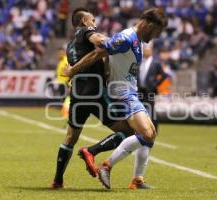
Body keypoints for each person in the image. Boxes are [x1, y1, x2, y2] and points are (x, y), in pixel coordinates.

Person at [63, 8, 168, 189]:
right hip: (121, 94)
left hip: (130, 93)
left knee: (150, 133)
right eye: (157, 31)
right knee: (146, 133)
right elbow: (98, 52)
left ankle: (137, 179)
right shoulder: (126, 38)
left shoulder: (137, 41)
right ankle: (106, 164)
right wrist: (73, 70)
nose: (156, 36)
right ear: (150, 25)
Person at [51, 8, 135, 189]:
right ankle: (92, 151)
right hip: (96, 93)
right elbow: (100, 41)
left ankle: (57, 180)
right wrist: (116, 41)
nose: (94, 23)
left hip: (78, 94)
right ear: (83, 22)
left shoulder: (71, 45)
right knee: (128, 132)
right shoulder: (86, 32)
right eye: (92, 19)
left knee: (70, 138)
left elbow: (94, 57)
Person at [137, 43, 168, 131]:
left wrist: (156, 84)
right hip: (140, 90)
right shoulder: (140, 62)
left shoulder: (156, 63)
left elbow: (164, 75)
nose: (146, 52)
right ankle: (141, 128)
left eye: (148, 50)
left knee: (151, 109)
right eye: (145, 50)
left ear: (151, 51)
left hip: (150, 90)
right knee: (139, 109)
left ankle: (154, 128)